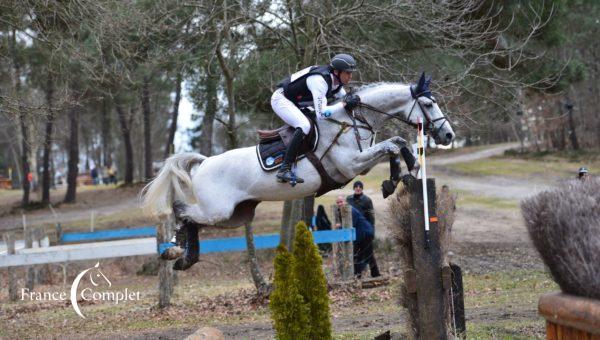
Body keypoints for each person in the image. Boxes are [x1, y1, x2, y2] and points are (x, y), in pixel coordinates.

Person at [271, 53, 361, 185]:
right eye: (348, 73)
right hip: (281, 99)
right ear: (337, 71)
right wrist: (344, 104)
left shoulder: (336, 82)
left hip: (298, 103)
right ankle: (284, 168)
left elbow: (344, 98)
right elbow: (322, 113)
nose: (350, 76)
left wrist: (350, 101)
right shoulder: (319, 80)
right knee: (304, 126)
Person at [335, 195, 377, 278]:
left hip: (366, 233)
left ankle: (359, 275)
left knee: (360, 254)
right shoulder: (344, 211)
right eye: (338, 202)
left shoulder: (350, 210)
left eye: (341, 201)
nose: (340, 204)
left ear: (345, 202)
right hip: (361, 234)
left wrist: (340, 226)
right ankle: (373, 274)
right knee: (366, 254)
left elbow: (350, 226)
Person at [346, 181, 380, 277]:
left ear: (362, 188)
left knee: (369, 253)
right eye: (356, 186)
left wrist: (372, 231)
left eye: (360, 186)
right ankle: (357, 274)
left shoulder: (367, 200)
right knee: (356, 253)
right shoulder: (349, 199)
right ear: (354, 188)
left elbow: (371, 217)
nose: (358, 188)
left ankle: (375, 273)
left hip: (366, 229)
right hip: (355, 231)